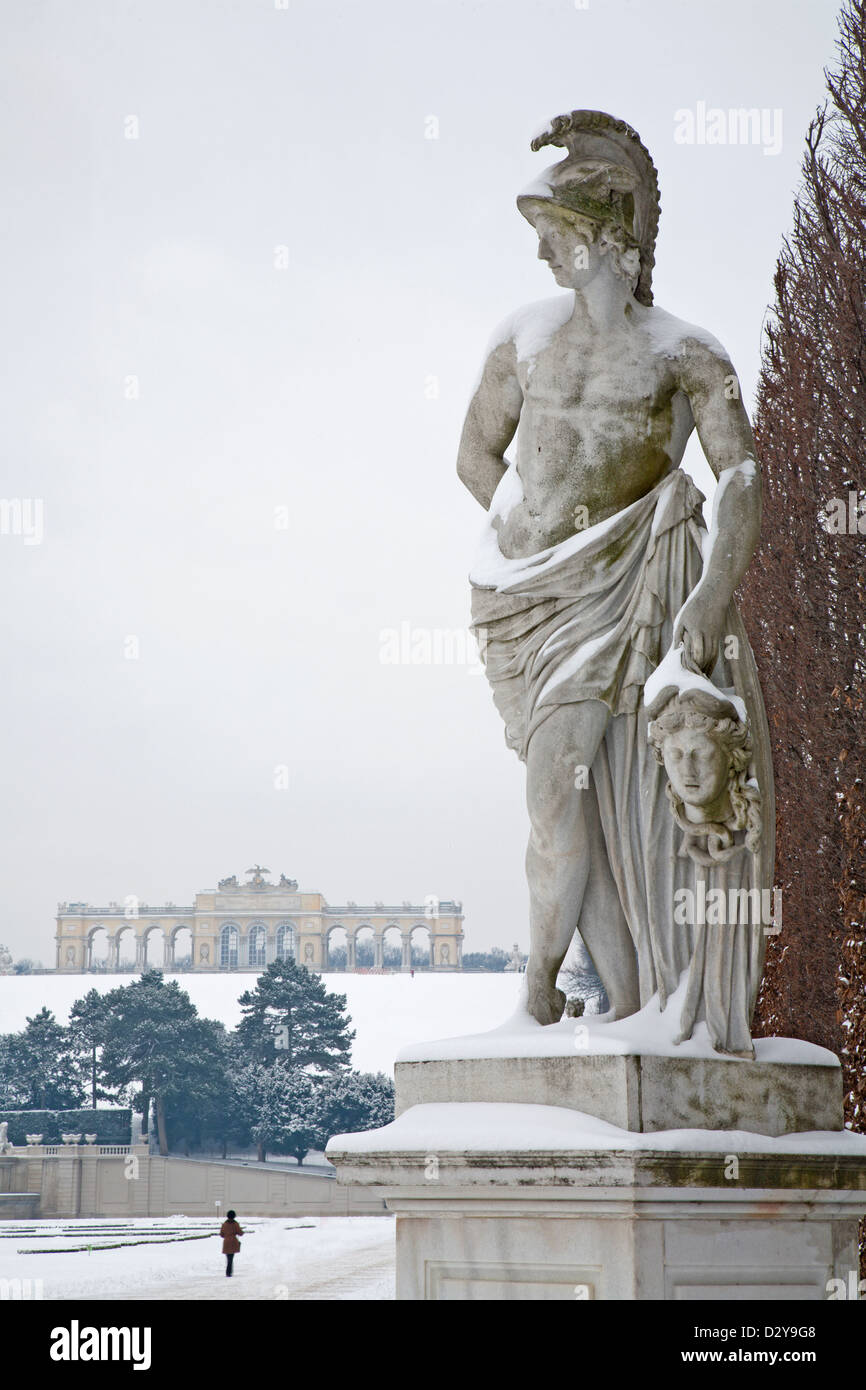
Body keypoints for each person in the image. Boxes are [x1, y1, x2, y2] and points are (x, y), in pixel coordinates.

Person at [220, 1209, 243, 1277]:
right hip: (233, 1241)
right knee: (231, 1257)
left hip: (226, 1242)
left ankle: (229, 1271)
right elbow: (240, 1233)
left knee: (228, 1257)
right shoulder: (235, 1224)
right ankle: (229, 1271)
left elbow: (221, 1234)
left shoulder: (224, 1224)